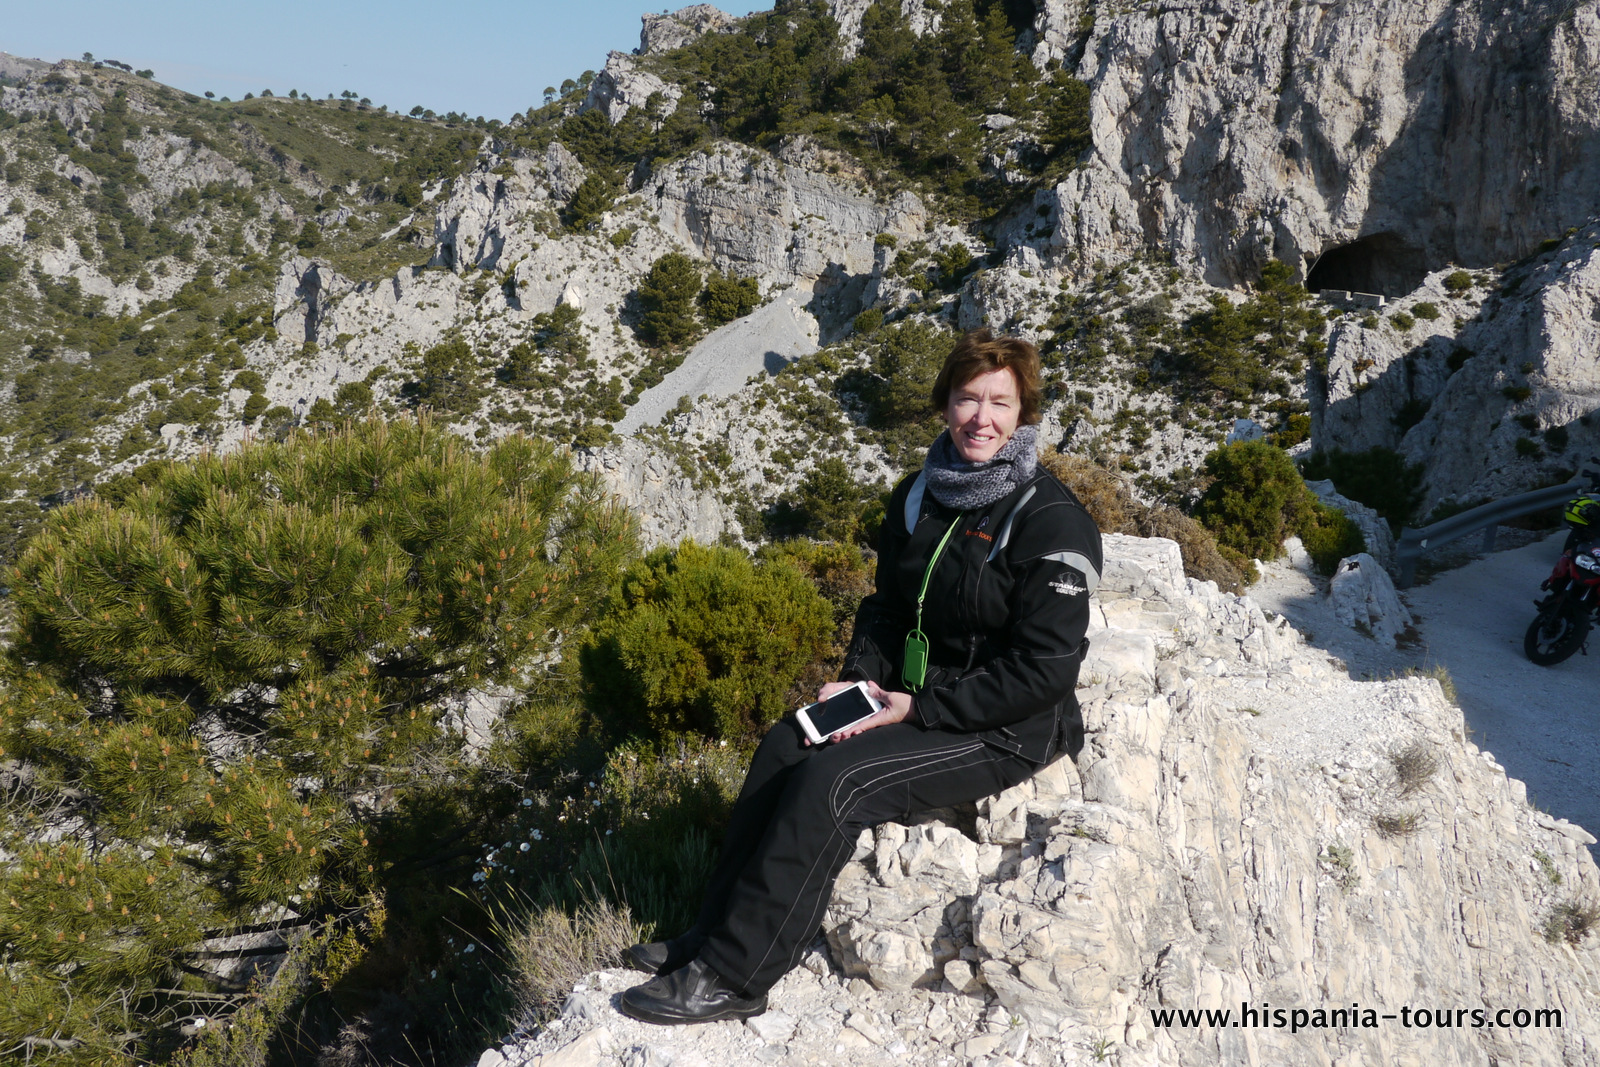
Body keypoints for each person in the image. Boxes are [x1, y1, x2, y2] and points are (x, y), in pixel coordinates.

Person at [619, 329, 1103, 1025]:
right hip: (909, 691)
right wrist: (857, 682)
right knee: (786, 743)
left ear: (1023, 413)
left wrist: (917, 709)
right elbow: (885, 609)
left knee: (834, 781)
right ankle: (710, 933)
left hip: (1004, 722)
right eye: (967, 398)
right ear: (944, 403)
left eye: (1000, 402)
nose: (981, 418)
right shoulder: (921, 494)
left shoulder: (1049, 520)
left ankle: (736, 975)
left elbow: (1045, 671)